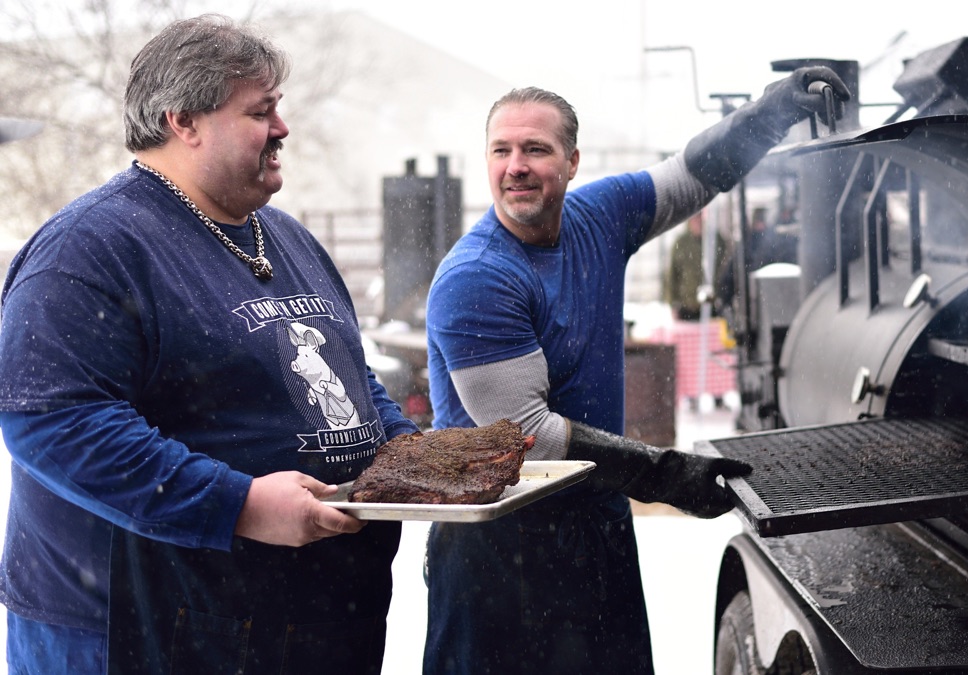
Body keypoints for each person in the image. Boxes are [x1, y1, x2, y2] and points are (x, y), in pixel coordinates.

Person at [0, 14, 420, 674]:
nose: (282, 129)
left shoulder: (289, 239)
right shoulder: (90, 248)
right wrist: (239, 505)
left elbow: (352, 377)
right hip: (137, 634)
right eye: (261, 111)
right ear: (183, 120)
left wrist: (404, 451)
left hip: (305, 622)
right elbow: (54, 420)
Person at [423, 66, 849, 674]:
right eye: (501, 150)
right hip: (501, 546)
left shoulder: (598, 219)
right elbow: (526, 436)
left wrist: (770, 113)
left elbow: (692, 174)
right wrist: (666, 474)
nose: (515, 165)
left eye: (535, 149)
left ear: (572, 162)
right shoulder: (478, 278)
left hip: (595, 521)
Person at [665, 211, 727, 321]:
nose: (697, 221)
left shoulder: (716, 240)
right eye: (694, 218)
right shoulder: (681, 243)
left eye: (699, 217)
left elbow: (726, 270)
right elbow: (672, 277)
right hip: (688, 306)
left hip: (712, 305)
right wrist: (672, 303)